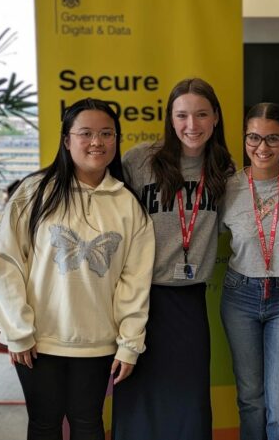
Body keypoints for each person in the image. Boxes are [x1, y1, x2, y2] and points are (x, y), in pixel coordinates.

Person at [0, 98, 155, 440]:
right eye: (86, 133)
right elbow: (7, 263)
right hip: (38, 340)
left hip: (97, 344)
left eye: (106, 134)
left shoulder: (128, 205)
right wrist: (17, 330)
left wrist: (129, 343)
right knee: (44, 425)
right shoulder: (33, 193)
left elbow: (134, 282)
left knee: (88, 424)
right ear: (67, 140)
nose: (97, 142)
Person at [112, 77, 235, 440]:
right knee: (138, 396)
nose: (191, 125)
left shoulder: (224, 171)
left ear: (215, 118)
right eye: (182, 115)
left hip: (190, 300)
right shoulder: (140, 161)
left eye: (201, 114)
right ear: (170, 118)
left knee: (188, 400)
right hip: (140, 299)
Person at [219, 103, 279, 440]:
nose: (262, 148)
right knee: (250, 399)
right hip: (239, 294)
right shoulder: (228, 186)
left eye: (272, 139)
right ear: (244, 139)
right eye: (254, 138)